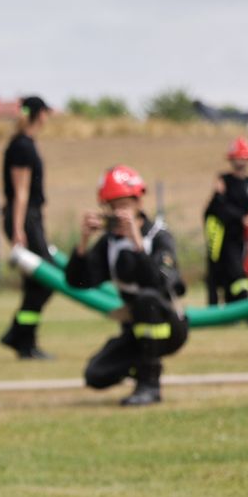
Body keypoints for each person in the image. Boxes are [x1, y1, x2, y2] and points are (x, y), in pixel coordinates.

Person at [64, 165, 187, 407]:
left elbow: (161, 282)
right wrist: (83, 243)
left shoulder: (158, 236)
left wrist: (137, 242)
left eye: (125, 204)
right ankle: (142, 367)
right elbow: (77, 282)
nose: (120, 212)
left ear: (139, 201)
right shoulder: (109, 243)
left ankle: (150, 385)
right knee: (95, 374)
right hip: (134, 329)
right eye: (113, 206)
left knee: (147, 300)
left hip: (168, 326)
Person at [0, 96, 54, 359]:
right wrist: (19, 229)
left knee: (36, 284)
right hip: (24, 218)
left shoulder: (25, 143)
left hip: (30, 218)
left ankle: (22, 339)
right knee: (46, 278)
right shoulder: (22, 146)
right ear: (39, 114)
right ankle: (19, 335)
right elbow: (20, 192)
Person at [202, 136, 248, 324]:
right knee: (224, 274)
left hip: (240, 237)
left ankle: (236, 314)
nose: (241, 161)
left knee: (236, 274)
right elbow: (218, 207)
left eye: (244, 158)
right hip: (221, 237)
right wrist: (241, 218)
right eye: (237, 157)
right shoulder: (224, 180)